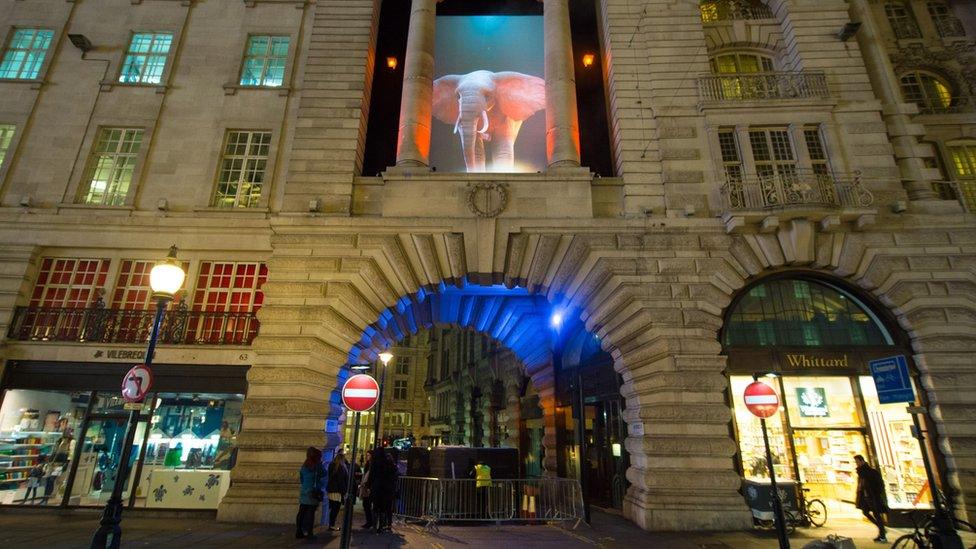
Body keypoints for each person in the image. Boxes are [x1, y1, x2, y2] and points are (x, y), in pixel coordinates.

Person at [854, 454, 888, 543]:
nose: (856, 464)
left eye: (857, 462)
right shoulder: (861, 472)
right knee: (865, 512)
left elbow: (880, 484)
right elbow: (861, 485)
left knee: (877, 515)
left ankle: (882, 535)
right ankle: (881, 529)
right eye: (856, 462)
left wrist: (875, 494)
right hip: (865, 497)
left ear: (862, 461)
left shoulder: (870, 472)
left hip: (872, 497)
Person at [296, 446, 325, 539]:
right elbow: (324, 473)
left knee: (302, 511)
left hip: (304, 491)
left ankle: (299, 531)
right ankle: (309, 532)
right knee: (310, 513)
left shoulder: (305, 465)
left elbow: (301, 478)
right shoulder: (316, 466)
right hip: (313, 492)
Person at [369, 448, 398, 532]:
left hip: (376, 488)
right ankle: (380, 527)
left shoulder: (375, 463)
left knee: (375, 508)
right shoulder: (387, 463)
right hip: (385, 489)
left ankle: (374, 526)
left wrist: (368, 485)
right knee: (382, 508)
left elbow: (372, 476)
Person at [326, 451, 350, 531]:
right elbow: (341, 481)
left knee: (332, 508)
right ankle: (332, 525)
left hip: (331, 490)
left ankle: (330, 524)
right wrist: (344, 492)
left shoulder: (331, 466)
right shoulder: (341, 467)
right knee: (335, 509)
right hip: (337, 491)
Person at [359, 451, 374, 529]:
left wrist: (368, 486)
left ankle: (370, 522)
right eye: (367, 455)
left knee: (367, 505)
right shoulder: (367, 465)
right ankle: (369, 522)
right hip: (365, 487)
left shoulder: (372, 465)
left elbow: (370, 477)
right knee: (365, 505)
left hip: (368, 488)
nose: (367, 457)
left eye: (368, 455)